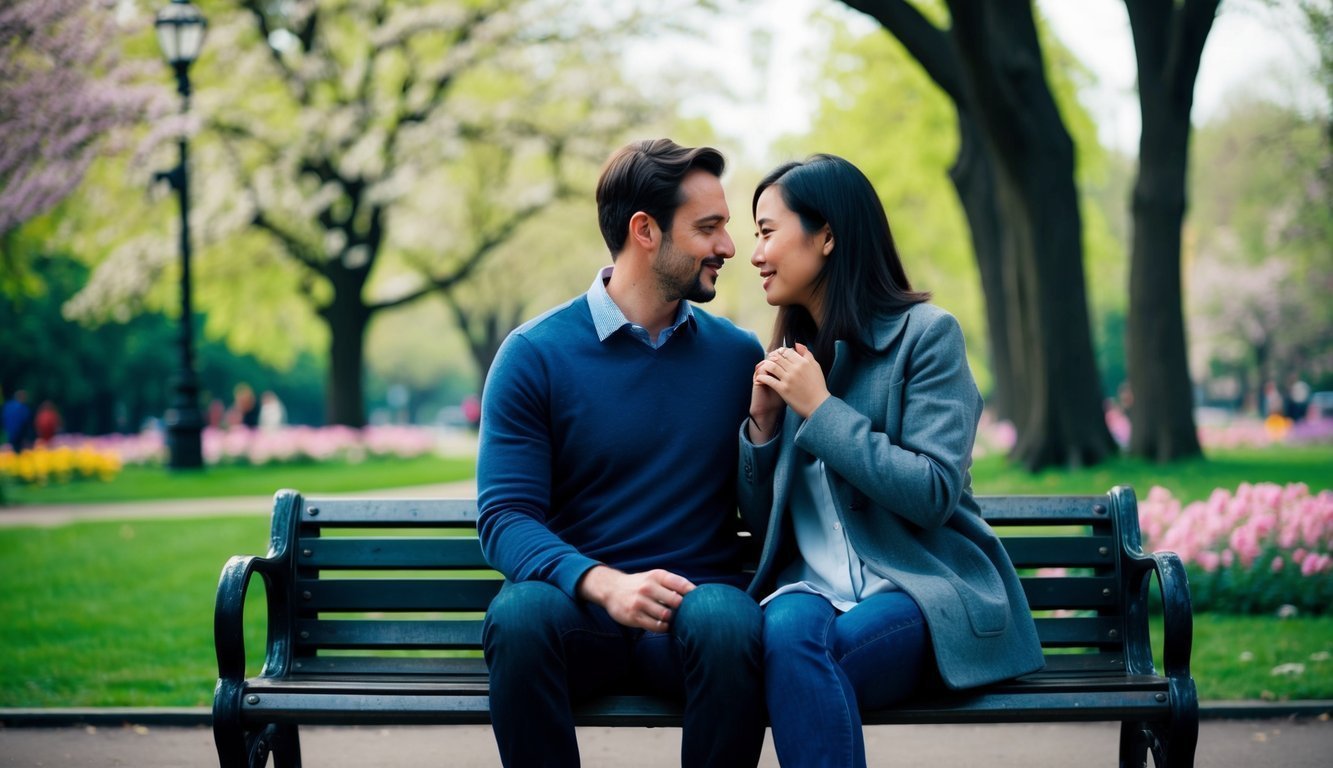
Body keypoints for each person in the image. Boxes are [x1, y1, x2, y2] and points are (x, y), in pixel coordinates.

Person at [740, 154, 1045, 768]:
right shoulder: (790, 358)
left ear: (826, 235)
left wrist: (821, 410)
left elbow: (933, 492)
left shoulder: (927, 337)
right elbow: (762, 518)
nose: (755, 255)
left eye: (768, 232)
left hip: (920, 588)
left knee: (809, 662)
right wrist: (764, 426)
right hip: (810, 588)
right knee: (786, 638)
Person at [477, 138, 767, 767]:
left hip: (696, 612)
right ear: (645, 230)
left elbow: (769, 513)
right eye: (709, 227)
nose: (729, 247)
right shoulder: (534, 355)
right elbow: (504, 519)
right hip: (581, 620)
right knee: (519, 614)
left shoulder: (739, 358)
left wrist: (764, 435)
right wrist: (603, 585)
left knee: (727, 617)